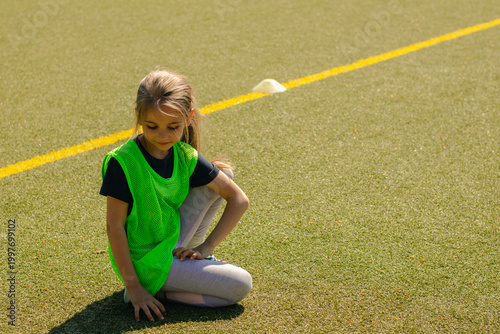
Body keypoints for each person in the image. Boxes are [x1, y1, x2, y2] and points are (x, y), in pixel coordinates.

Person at [99, 69, 252, 322]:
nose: (162, 136)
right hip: (146, 261)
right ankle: (156, 289)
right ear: (138, 116)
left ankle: (188, 257)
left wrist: (206, 247)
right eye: (152, 126)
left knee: (223, 174)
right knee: (241, 285)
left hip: (171, 240)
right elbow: (114, 226)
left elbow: (239, 199)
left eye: (173, 127)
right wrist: (134, 287)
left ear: (188, 118)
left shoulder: (184, 154)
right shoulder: (122, 162)